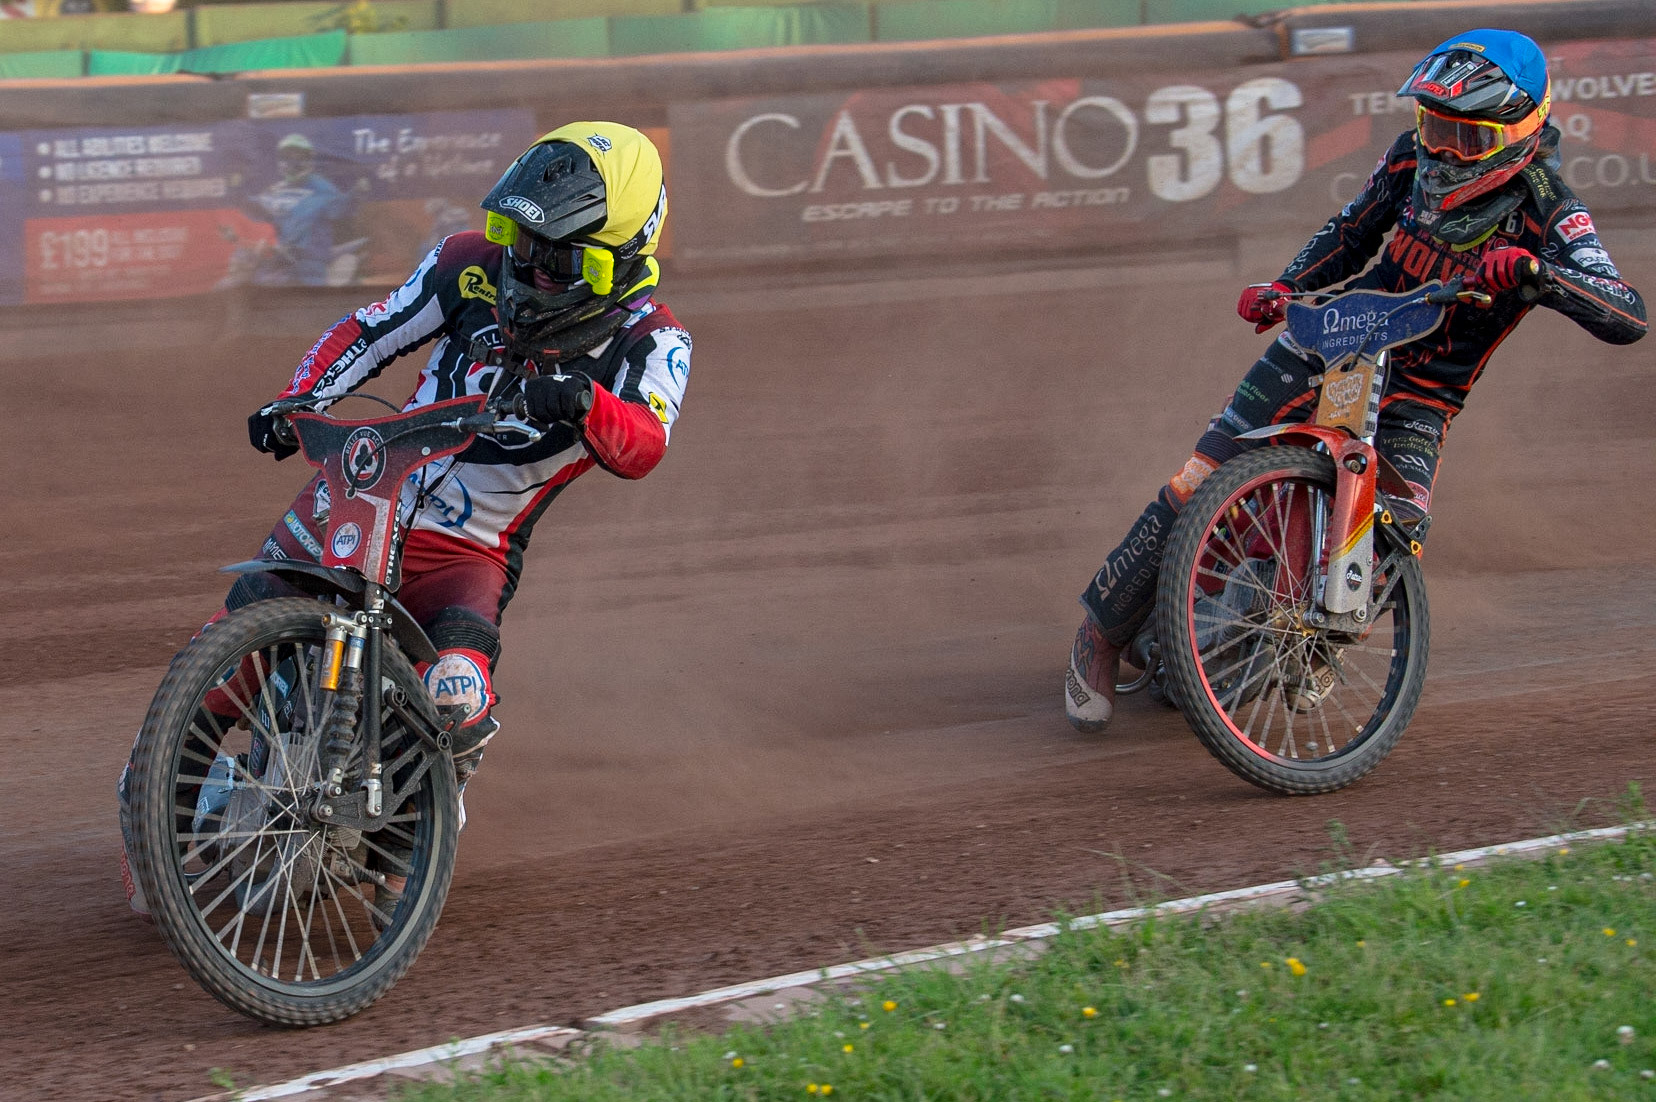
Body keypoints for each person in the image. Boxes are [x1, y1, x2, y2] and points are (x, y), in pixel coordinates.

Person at [118, 122, 690, 915]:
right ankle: (154, 812)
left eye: (553, 257)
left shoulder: (652, 339)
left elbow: (646, 443)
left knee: (457, 697)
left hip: (468, 552)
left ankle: (407, 840)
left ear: (620, 257)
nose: (525, 265)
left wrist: (587, 400)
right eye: (516, 239)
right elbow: (371, 329)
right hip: (358, 498)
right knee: (220, 663)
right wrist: (299, 400)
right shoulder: (466, 264)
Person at [1065, 29, 1646, 733]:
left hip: (1422, 398)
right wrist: (1285, 285)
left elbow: (1627, 312)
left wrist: (1538, 273)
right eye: (1433, 125)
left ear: (1517, 130)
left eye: (1464, 137)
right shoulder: (1408, 158)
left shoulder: (1550, 205)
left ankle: (1315, 637)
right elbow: (1350, 231)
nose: (1439, 149)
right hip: (1335, 341)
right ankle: (1100, 633)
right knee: (1199, 475)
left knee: (1400, 534)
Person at [245, 133, 362, 287]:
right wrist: (238, 195)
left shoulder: (322, 187)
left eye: (298, 156)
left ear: (307, 159)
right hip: (282, 259)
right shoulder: (276, 190)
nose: (293, 161)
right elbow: (257, 209)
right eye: (288, 156)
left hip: (311, 262)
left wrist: (356, 194)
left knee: (311, 298)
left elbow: (341, 208)